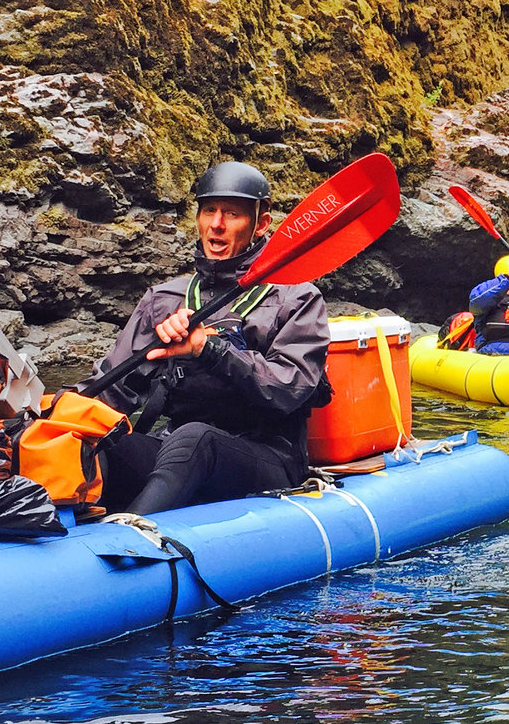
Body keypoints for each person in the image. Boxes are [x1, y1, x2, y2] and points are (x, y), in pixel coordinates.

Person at [92, 161, 330, 515]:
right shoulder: (164, 299)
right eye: (209, 212)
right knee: (102, 445)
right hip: (179, 454)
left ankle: (129, 532)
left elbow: (288, 387)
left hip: (267, 457)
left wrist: (209, 349)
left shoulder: (297, 299)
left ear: (261, 223)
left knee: (195, 437)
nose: (216, 225)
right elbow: (111, 392)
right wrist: (54, 414)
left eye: (232, 214)